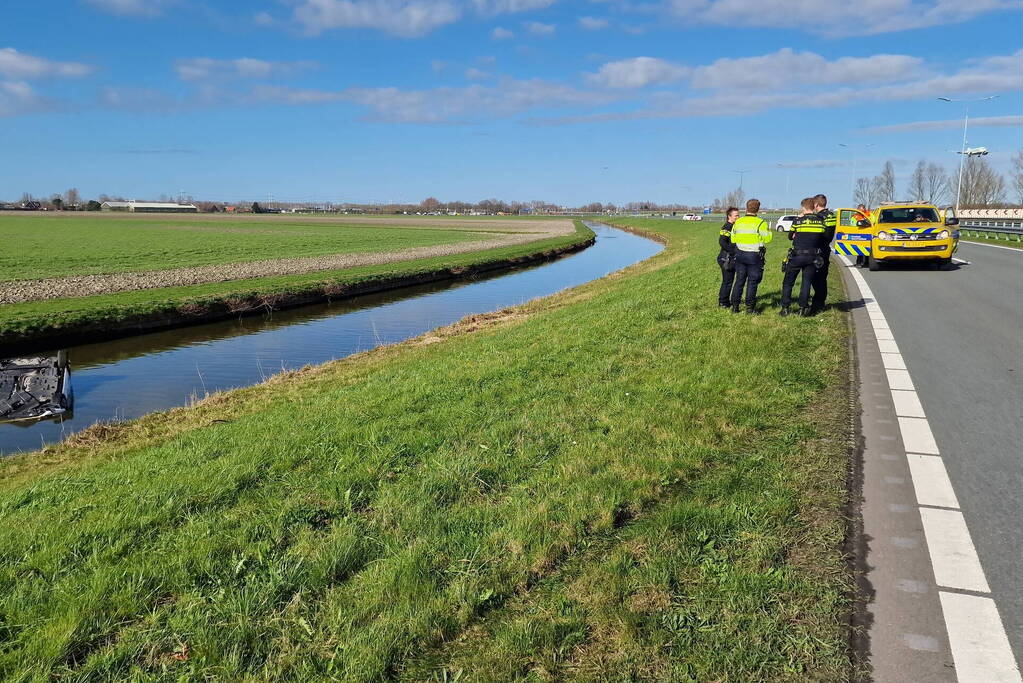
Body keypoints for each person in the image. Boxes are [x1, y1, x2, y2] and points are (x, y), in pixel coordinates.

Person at [780, 198, 825, 317]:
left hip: (797, 256)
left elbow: (790, 236)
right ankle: (802, 309)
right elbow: (822, 237)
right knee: (806, 282)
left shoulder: (798, 221)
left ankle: (785, 308)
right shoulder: (821, 221)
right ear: (814, 207)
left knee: (788, 283)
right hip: (812, 256)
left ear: (803, 208)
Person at [729, 198, 772, 314]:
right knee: (752, 282)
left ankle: (735, 306)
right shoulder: (760, 223)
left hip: (740, 254)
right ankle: (750, 308)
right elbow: (768, 238)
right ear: (757, 209)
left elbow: (733, 239)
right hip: (754, 256)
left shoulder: (738, 222)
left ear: (746, 208)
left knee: (739, 281)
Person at [810, 193, 836, 313]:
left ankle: (817, 303)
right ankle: (821, 301)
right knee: (823, 277)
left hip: (818, 250)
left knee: (816, 277)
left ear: (816, 204)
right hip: (826, 248)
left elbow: (816, 235)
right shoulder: (832, 216)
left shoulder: (819, 218)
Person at [716, 207, 739, 307]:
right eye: (736, 215)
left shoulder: (733, 226)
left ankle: (724, 301)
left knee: (728, 280)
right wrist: (733, 251)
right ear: (729, 216)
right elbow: (722, 242)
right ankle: (723, 302)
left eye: (738, 215)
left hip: (729, 258)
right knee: (727, 281)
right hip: (726, 258)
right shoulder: (727, 227)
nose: (738, 217)